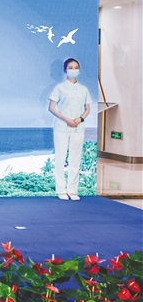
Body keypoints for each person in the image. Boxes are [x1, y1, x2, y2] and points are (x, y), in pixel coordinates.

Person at [48, 58, 91, 201]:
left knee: (75, 159)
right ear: (65, 70)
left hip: (78, 127)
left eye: (76, 67)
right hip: (61, 127)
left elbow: (87, 109)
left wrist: (80, 119)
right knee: (60, 158)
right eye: (70, 67)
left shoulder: (84, 89)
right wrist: (67, 119)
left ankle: (72, 190)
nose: (73, 70)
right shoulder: (59, 88)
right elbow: (52, 108)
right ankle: (61, 190)